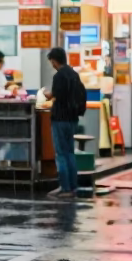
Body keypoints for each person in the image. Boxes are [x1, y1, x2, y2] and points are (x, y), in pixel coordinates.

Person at [42, 46, 83, 198]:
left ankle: (65, 188)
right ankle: (73, 187)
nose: (52, 64)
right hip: (73, 118)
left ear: (54, 61)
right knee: (70, 153)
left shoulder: (59, 76)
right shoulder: (74, 74)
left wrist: (48, 95)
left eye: (51, 61)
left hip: (60, 119)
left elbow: (56, 95)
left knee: (61, 154)